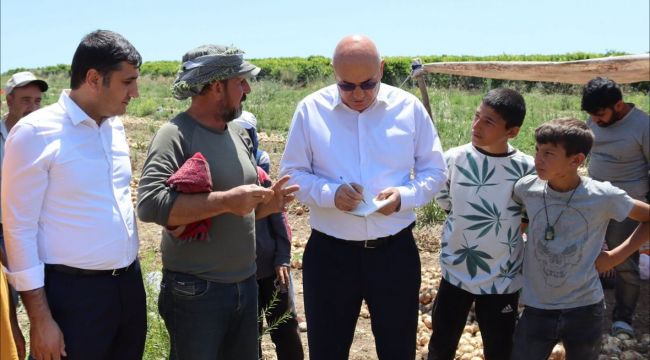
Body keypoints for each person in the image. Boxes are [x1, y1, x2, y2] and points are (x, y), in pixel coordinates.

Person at [279, 34, 447, 360]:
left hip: (394, 253)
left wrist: (403, 196)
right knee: (327, 350)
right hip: (330, 256)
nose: (357, 94)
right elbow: (292, 175)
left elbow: (435, 172)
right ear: (333, 73)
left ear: (382, 69)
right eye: (346, 85)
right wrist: (330, 194)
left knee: (397, 349)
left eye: (367, 84)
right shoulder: (311, 111)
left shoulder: (408, 108)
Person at [136, 44, 298, 360]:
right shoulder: (175, 134)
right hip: (196, 292)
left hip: (245, 285)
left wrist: (270, 204)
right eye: (241, 81)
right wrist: (225, 201)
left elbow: (243, 210)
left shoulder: (237, 133)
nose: (247, 89)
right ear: (215, 86)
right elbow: (150, 203)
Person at [1, 30, 146, 359]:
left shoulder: (115, 127)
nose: (135, 93)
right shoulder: (35, 133)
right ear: (94, 78)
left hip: (127, 287)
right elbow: (18, 229)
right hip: (72, 297)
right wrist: (41, 321)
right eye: (127, 82)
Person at [510, 119, 650, 359]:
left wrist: (615, 257)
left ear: (577, 160)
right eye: (537, 150)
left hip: (584, 308)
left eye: (549, 153)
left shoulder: (601, 195)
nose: (538, 159)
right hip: (536, 307)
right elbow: (517, 222)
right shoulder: (526, 189)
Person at [427, 88, 534, 360]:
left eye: (488, 121)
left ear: (512, 131)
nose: (476, 126)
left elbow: (527, 215)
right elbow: (445, 199)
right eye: (477, 116)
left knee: (499, 348)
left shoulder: (526, 169)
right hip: (456, 269)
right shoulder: (454, 158)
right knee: (441, 343)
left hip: (502, 277)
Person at [581, 77, 649, 337]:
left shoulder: (643, 126)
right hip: (593, 199)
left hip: (627, 206)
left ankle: (623, 318)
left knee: (623, 260)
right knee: (584, 253)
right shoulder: (594, 119)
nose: (595, 121)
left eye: (599, 114)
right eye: (591, 116)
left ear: (618, 105)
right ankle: (582, 308)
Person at [0, 70, 48, 359]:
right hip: (3, 235)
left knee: (43, 309)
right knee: (9, 319)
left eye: (38, 101)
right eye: (25, 100)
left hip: (38, 232)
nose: (32, 108)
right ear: (9, 101)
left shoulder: (43, 138)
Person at [256, 166, 304, 360]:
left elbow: (280, 218)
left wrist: (283, 258)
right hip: (241, 273)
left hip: (273, 272)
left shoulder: (259, 176)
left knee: (286, 329)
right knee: (249, 334)